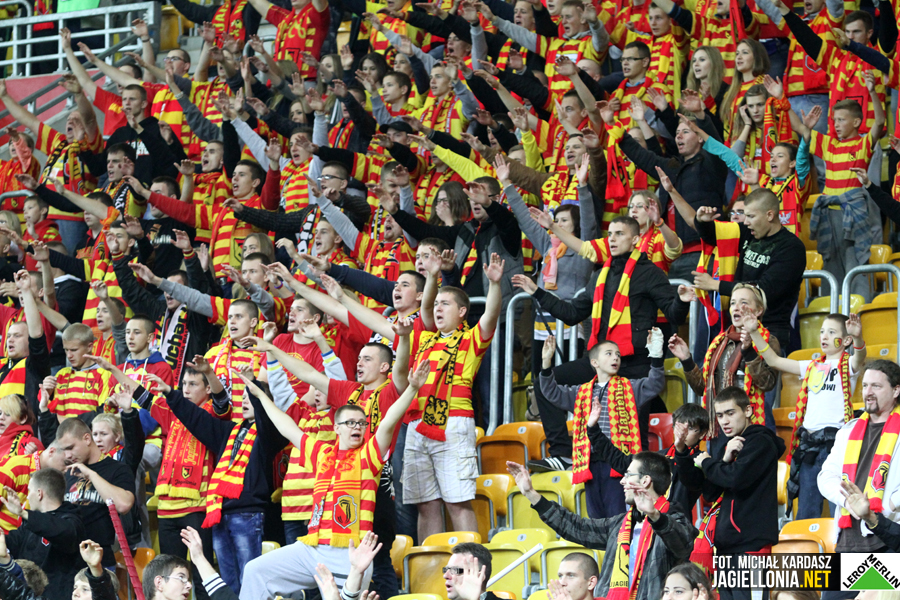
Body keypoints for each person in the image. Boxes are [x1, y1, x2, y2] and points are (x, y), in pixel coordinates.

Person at [237, 357, 430, 600]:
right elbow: (287, 427)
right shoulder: (322, 453)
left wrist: (412, 388)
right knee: (255, 570)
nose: (356, 427)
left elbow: (388, 421)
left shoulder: (369, 456)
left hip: (350, 553)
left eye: (361, 423)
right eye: (350, 423)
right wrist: (260, 396)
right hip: (311, 547)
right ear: (336, 428)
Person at [516, 216, 690, 471]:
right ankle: (563, 454)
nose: (612, 239)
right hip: (599, 362)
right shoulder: (599, 275)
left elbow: (674, 315)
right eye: (610, 234)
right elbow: (572, 313)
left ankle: (641, 480)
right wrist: (537, 292)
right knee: (545, 384)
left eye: (619, 234)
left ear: (635, 239)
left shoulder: (650, 273)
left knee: (636, 437)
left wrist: (682, 301)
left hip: (635, 365)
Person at [507, 452, 696, 600]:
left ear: (645, 481)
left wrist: (655, 516)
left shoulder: (674, 518)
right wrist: (531, 494)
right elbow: (576, 527)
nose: (622, 481)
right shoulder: (621, 524)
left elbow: (682, 546)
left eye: (628, 475)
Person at [749, 312, 865, 519]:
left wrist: (858, 338)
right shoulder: (811, 366)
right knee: (806, 510)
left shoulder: (847, 365)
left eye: (832, 332)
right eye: (822, 331)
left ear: (846, 340)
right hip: (809, 446)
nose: (824, 336)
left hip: (836, 447)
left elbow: (860, 357)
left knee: (840, 509)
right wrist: (753, 332)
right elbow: (774, 360)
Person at [539, 332, 665, 518]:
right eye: (609, 353)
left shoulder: (631, 387)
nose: (616, 357)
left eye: (618, 355)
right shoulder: (581, 392)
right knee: (596, 518)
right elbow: (552, 392)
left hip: (617, 463)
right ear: (594, 362)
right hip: (590, 463)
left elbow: (655, 384)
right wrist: (545, 364)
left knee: (618, 517)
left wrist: (656, 356)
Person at [682, 387, 785, 600]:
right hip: (726, 546)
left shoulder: (760, 442)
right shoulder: (729, 445)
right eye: (720, 415)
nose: (724, 421)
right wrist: (724, 459)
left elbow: (735, 479)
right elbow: (710, 493)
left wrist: (708, 462)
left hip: (751, 545)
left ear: (748, 411)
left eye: (730, 413)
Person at [819, 360, 900, 558]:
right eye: (865, 386)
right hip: (848, 540)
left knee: (878, 582)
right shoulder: (847, 431)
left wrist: (886, 507)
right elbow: (825, 477)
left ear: (896, 390)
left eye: (876, 386)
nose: (868, 392)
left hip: (886, 538)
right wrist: (847, 502)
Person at [55, 417, 136, 570]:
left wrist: (91, 475)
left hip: (100, 559)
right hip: (67, 560)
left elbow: (124, 505)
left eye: (70, 448)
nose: (67, 455)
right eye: (64, 450)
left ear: (87, 438)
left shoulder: (118, 469)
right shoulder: (67, 472)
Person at [2, 468, 85, 599]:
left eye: (29, 491)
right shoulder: (32, 522)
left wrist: (23, 513)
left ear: (39, 493)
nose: (27, 496)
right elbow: (13, 541)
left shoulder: (72, 521)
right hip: (27, 594)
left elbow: (62, 532)